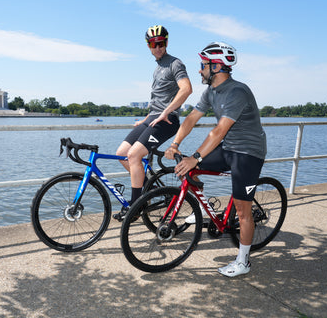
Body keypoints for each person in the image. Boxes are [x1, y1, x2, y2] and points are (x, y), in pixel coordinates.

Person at [165, 42, 267, 277]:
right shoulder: (210, 91)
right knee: (190, 171)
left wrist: (196, 156)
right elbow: (191, 118)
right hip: (228, 147)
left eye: (203, 65)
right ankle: (204, 207)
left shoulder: (237, 91)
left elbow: (218, 131)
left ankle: (243, 262)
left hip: (248, 153)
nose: (200, 70)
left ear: (217, 66)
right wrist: (175, 144)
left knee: (243, 212)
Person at [113, 25, 192, 221]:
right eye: (152, 44)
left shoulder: (175, 63)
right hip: (153, 118)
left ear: (166, 42)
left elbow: (186, 89)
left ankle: (135, 206)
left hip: (168, 120)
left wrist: (166, 111)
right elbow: (158, 99)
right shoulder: (157, 67)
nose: (156, 47)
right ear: (148, 45)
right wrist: (147, 118)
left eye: (160, 43)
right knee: (122, 154)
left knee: (134, 155)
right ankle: (146, 190)